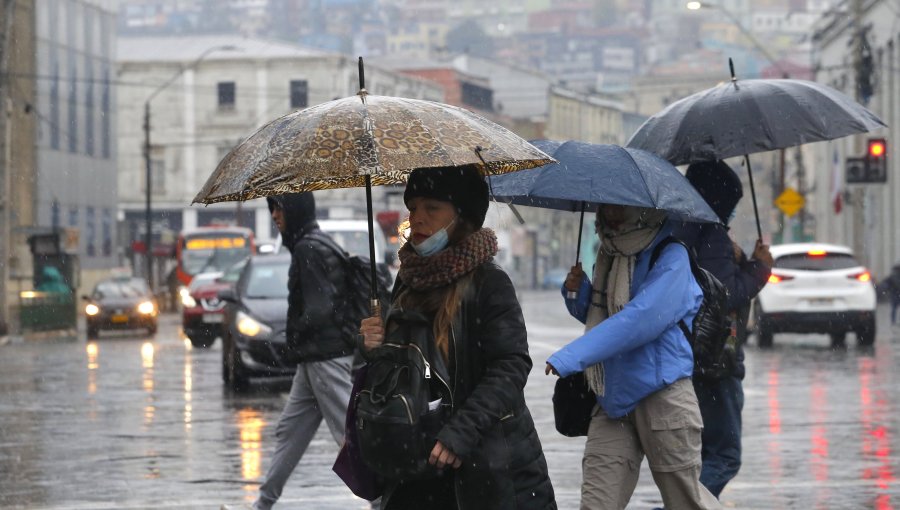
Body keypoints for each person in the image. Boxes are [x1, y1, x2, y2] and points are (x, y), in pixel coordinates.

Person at [359, 165, 556, 510]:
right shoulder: (407, 280)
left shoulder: (489, 283)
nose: (417, 218)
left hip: (487, 465)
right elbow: (403, 371)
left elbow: (510, 366)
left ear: (462, 217)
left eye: (432, 208)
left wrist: (460, 432)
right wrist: (373, 348)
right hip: (418, 462)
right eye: (413, 207)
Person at [546, 204, 721, 510]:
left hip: (663, 394)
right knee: (597, 503)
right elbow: (603, 316)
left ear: (644, 208)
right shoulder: (610, 253)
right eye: (607, 203)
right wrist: (578, 292)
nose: (611, 211)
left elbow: (640, 320)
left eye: (622, 205)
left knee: (686, 503)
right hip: (613, 397)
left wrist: (573, 356)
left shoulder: (671, 255)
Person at [224, 192, 355, 510]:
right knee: (289, 432)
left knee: (350, 439)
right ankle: (263, 504)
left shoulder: (309, 248)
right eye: (271, 209)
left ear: (295, 210)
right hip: (313, 360)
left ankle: (383, 501)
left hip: (325, 359)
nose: (274, 216)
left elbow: (319, 309)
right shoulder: (313, 243)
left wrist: (291, 332)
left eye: (279, 208)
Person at [674, 160, 773, 499]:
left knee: (703, 454)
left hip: (690, 355)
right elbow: (723, 295)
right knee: (725, 456)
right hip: (717, 358)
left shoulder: (680, 229)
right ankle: (683, 507)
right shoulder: (710, 233)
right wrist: (760, 269)